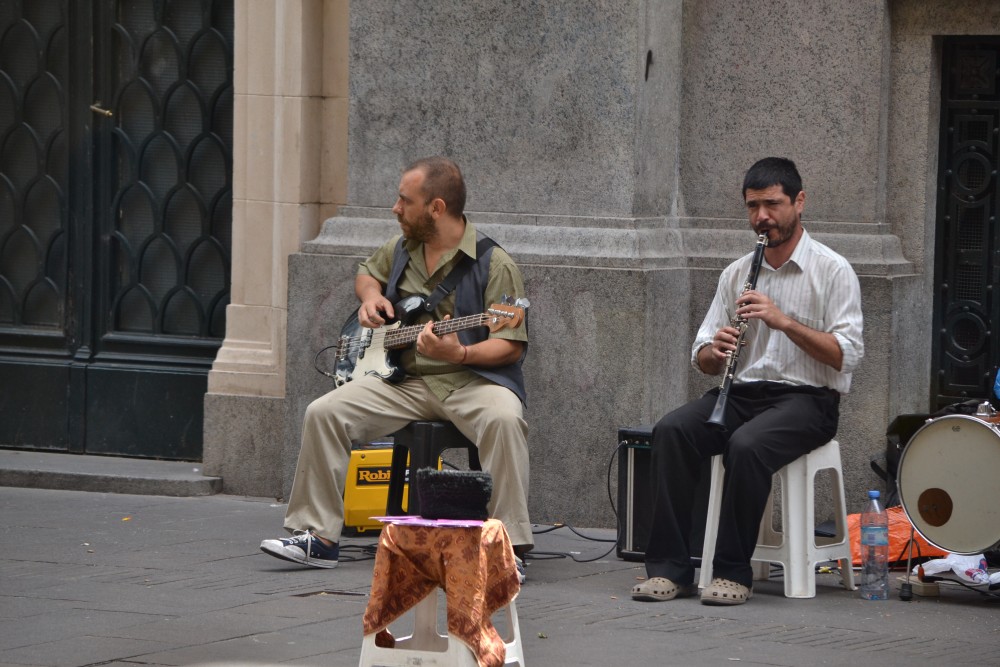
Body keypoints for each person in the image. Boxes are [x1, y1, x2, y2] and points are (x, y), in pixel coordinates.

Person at [261, 156, 532, 577]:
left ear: (436, 208)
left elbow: (510, 346)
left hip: (469, 381)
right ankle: (318, 537)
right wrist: (370, 298)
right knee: (323, 412)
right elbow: (366, 273)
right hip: (401, 381)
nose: (395, 208)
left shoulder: (495, 264)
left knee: (505, 419)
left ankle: (506, 548)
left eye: (405, 200)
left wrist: (459, 354)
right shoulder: (402, 246)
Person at [630, 157, 864, 606]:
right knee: (672, 431)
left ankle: (733, 572)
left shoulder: (832, 271)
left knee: (747, 445)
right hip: (741, 394)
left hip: (809, 401)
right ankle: (668, 569)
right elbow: (700, 358)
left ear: (799, 201)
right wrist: (714, 351)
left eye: (772, 204)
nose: (762, 217)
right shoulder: (737, 273)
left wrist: (783, 322)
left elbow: (846, 355)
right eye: (753, 206)